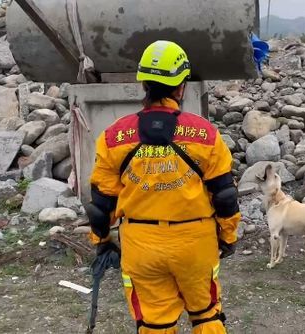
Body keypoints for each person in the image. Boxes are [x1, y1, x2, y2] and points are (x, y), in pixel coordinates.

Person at [86, 40, 241, 334]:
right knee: (207, 315)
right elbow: (224, 196)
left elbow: (101, 204)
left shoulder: (113, 136)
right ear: (181, 86)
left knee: (155, 324)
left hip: (141, 245)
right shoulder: (205, 134)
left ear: (143, 83)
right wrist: (227, 236)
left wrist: (102, 240)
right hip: (195, 242)